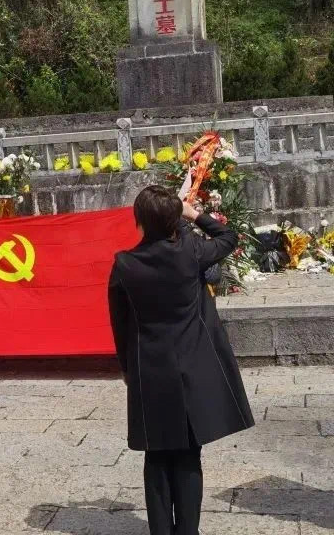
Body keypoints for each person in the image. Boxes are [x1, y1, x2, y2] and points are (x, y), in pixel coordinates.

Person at [107, 185, 255, 535]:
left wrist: (128, 370)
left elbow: (120, 326)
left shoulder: (125, 264)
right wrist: (192, 213)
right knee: (189, 453)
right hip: (192, 365)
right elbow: (228, 236)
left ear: (139, 221)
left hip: (149, 368)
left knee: (156, 456)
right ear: (175, 220)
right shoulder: (191, 250)